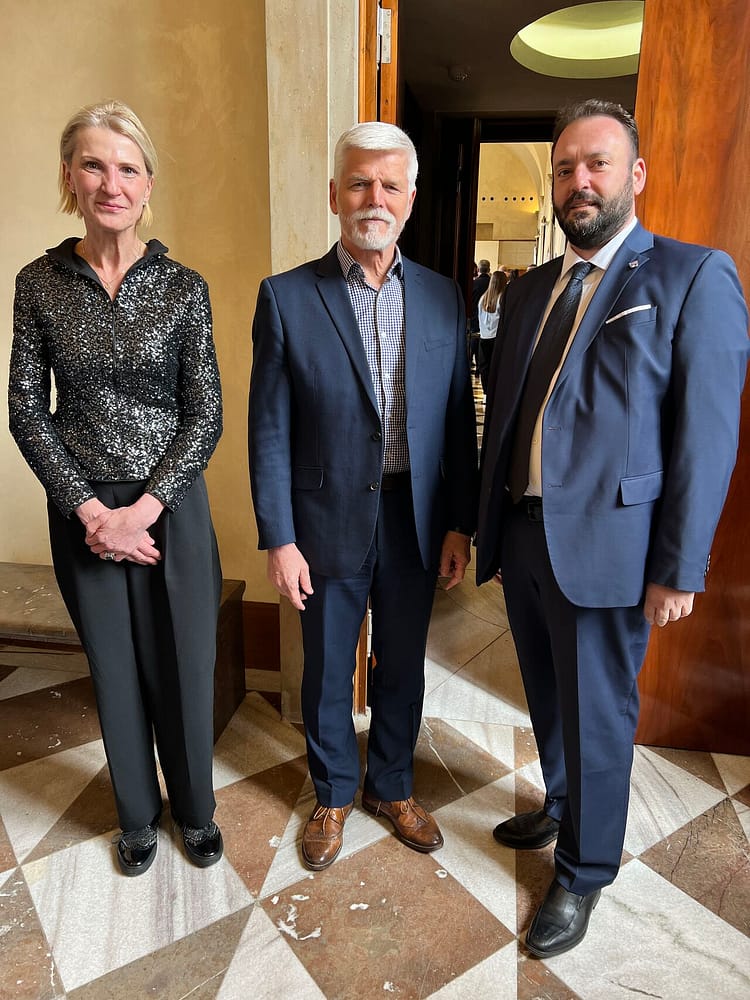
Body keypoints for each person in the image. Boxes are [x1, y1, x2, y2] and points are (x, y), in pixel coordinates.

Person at [476, 99, 748, 957]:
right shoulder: (531, 290)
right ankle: (562, 804)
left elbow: (706, 437)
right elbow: (507, 416)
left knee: (598, 712)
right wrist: (488, 526)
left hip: (612, 550)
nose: (578, 181)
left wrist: (680, 566)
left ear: (635, 174)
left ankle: (585, 870)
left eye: (596, 164)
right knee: (547, 692)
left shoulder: (692, 276)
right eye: (564, 169)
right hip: (525, 534)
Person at [248, 121, 478, 871]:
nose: (373, 198)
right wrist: (280, 538)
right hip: (324, 520)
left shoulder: (444, 297)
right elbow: (269, 429)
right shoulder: (286, 297)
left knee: (403, 665)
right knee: (325, 668)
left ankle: (393, 785)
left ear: (409, 198)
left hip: (416, 518)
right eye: (358, 183)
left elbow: (458, 422)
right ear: (334, 196)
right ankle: (334, 793)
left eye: (388, 185)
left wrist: (459, 524)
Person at [9, 100, 225, 876]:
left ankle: (195, 811)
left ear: (148, 184)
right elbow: (26, 408)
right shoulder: (38, 283)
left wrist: (147, 508)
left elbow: (205, 410)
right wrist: (92, 511)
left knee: (185, 665)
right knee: (114, 666)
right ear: (69, 176)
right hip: (84, 512)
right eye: (94, 165)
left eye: (127, 168)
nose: (111, 183)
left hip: (173, 506)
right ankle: (137, 814)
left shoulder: (183, 287)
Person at [476, 269, 508, 394]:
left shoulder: (483, 298)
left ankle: (486, 391)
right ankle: (495, 391)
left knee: (485, 367)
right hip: (496, 337)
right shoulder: (502, 298)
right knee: (497, 366)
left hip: (484, 336)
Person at [468, 259, 491, 368]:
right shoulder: (492, 284)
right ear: (489, 269)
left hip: (474, 317)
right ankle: (480, 366)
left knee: (473, 341)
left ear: (478, 270)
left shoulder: (473, 283)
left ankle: (470, 362)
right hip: (489, 319)